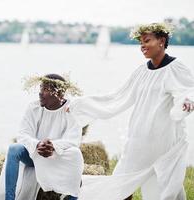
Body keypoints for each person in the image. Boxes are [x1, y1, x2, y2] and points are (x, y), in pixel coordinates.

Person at [70, 23, 194, 200]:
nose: (142, 46)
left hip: (163, 139)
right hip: (138, 138)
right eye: (140, 42)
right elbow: (118, 96)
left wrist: (187, 101)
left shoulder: (176, 67)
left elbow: (187, 90)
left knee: (165, 185)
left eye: (147, 40)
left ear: (162, 41)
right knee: (121, 181)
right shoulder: (141, 71)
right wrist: (80, 104)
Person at [0, 74, 84, 200]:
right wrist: (38, 144)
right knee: (14, 149)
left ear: (59, 94)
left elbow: (73, 139)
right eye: (40, 88)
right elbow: (23, 134)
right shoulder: (34, 107)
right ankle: (9, 198)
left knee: (76, 154)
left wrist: (53, 146)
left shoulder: (71, 110)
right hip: (35, 153)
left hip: (58, 157)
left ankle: (72, 198)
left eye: (46, 90)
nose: (40, 93)